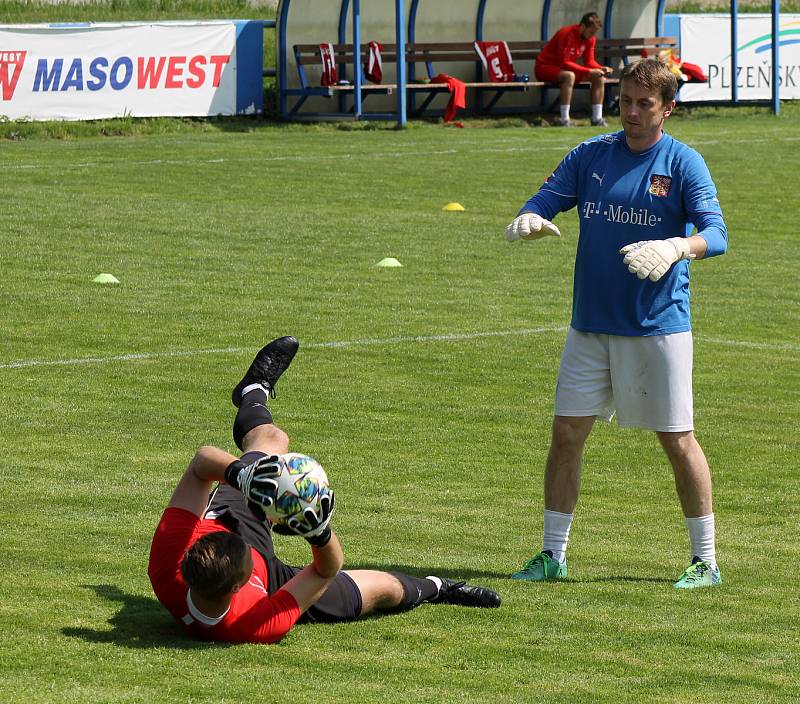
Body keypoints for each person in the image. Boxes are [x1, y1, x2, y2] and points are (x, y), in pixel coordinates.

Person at [505, 58, 727, 589]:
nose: (629, 112)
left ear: (667, 109)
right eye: (624, 101)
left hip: (657, 326)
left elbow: (716, 234)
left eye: (643, 104)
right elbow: (546, 200)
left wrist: (678, 246)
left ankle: (706, 560)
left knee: (677, 440)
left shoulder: (684, 164)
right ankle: (552, 555)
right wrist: (533, 217)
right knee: (566, 434)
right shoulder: (591, 155)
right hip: (590, 325)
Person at [148, 336, 500, 645]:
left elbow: (201, 462)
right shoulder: (255, 624)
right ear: (241, 586)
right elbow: (325, 570)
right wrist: (319, 532)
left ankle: (252, 391)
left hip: (228, 517)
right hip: (274, 581)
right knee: (383, 589)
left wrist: (245, 477)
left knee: (273, 440)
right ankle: (440, 587)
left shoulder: (168, 567)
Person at [534, 11, 614, 127]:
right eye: (591, 32)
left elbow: (589, 61)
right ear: (582, 26)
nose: (593, 35)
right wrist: (589, 71)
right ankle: (564, 119)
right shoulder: (566, 33)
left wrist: (601, 68)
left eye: (595, 32)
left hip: (564, 70)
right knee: (569, 76)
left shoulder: (590, 39)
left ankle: (597, 119)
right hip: (544, 68)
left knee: (599, 77)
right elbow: (565, 62)